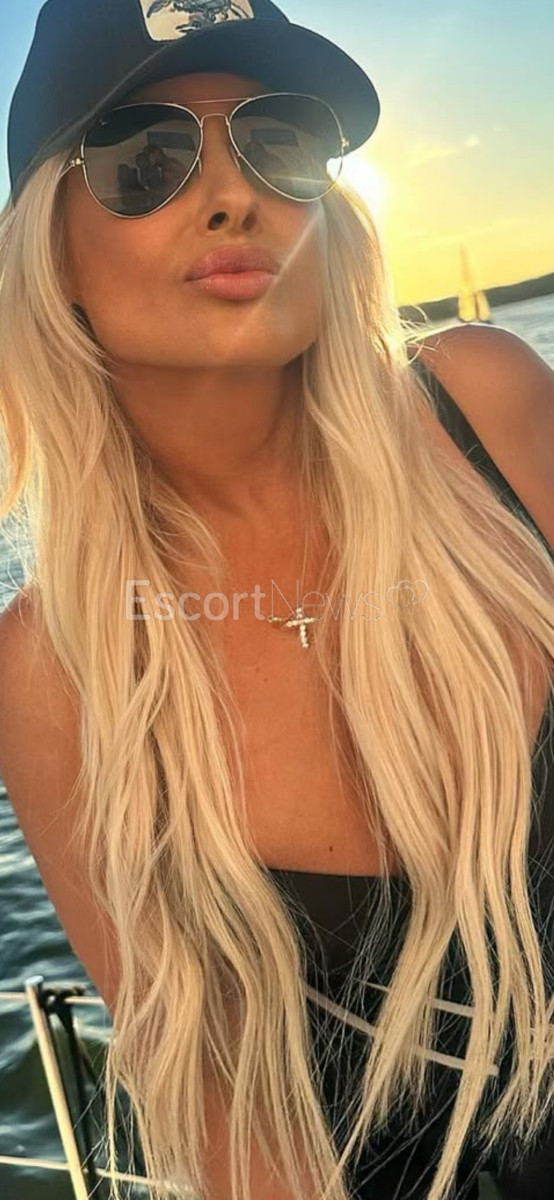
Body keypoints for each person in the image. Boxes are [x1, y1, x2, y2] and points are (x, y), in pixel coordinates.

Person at [0, 2, 553, 1198]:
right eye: (144, 157)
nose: (231, 194)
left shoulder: (488, 412)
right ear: (52, 253)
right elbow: (222, 1117)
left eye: (279, 142)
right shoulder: (51, 666)